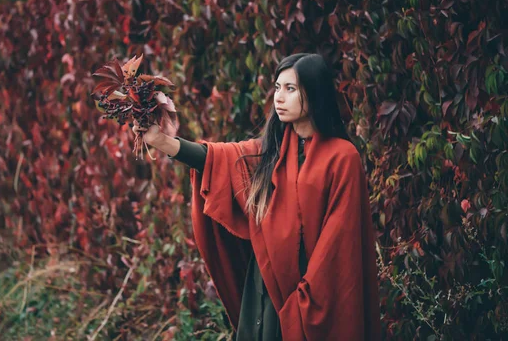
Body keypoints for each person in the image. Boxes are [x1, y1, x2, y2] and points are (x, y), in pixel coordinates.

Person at [133, 53, 381, 340]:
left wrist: (304, 300)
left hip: (310, 294)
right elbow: (214, 159)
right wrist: (161, 140)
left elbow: (339, 242)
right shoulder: (271, 150)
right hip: (265, 291)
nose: (279, 98)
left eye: (290, 89)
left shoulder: (342, 157)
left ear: (314, 91)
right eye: (277, 88)